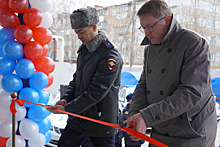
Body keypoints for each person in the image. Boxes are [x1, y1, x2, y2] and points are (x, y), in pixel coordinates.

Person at [124, 0, 217, 147]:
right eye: (143, 28)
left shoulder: (194, 43)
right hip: (160, 126)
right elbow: (144, 85)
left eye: (150, 27)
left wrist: (146, 116)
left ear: (167, 19)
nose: (147, 33)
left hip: (190, 131)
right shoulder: (150, 48)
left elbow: (190, 93)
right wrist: (135, 115)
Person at [47, 7, 123, 147]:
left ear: (94, 27)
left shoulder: (110, 55)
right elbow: (76, 80)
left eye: (81, 32)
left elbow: (97, 91)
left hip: (101, 122)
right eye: (76, 32)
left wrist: (69, 108)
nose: (78, 37)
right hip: (79, 118)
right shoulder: (84, 50)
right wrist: (65, 99)